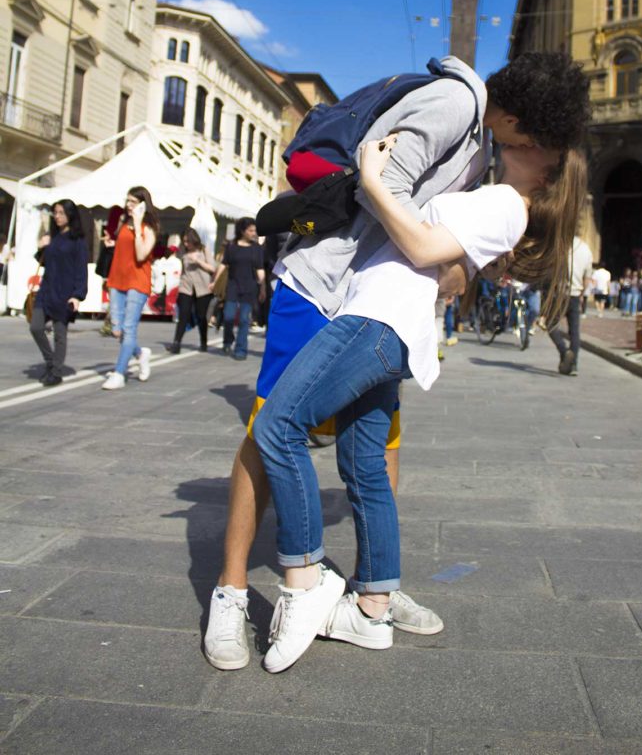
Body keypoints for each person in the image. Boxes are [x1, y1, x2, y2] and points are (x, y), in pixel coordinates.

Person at [202, 51, 592, 671]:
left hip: (375, 306)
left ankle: (372, 593)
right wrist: (443, 256)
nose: (539, 147)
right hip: (326, 282)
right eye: (539, 135)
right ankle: (234, 590)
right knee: (267, 432)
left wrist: (457, 262)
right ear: (518, 119)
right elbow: (380, 186)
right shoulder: (457, 107)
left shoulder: (488, 149)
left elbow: (436, 227)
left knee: (376, 452)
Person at [102, 187, 159, 391]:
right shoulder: (123, 223)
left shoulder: (149, 227)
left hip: (137, 282)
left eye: (133, 202)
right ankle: (140, 353)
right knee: (117, 331)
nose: (128, 206)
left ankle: (119, 373)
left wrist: (137, 223)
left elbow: (142, 254)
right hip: (117, 280)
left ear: (143, 204)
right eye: (127, 201)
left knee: (129, 328)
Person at [30, 199, 88, 386]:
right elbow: (45, 261)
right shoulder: (53, 236)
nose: (57, 216)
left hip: (64, 292)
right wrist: (41, 248)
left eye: (61, 213)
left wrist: (78, 295)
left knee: (59, 334)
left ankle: (56, 372)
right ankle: (50, 362)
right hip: (46, 290)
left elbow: (81, 269)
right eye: (55, 213)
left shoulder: (77, 240)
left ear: (70, 215)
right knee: (36, 327)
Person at [210, 218, 266, 360]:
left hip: (250, 287)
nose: (254, 233)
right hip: (233, 285)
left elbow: (260, 269)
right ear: (242, 231)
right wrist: (214, 281)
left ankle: (241, 349)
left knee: (244, 320)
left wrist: (263, 287)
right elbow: (223, 265)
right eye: (251, 230)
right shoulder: (231, 247)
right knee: (228, 317)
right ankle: (228, 341)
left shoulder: (257, 249)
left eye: (255, 230)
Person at [548, 234, 593, 376]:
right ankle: (573, 365)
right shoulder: (586, 249)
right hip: (575, 294)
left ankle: (564, 351)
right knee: (574, 331)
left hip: (560, 294)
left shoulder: (559, 245)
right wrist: (581, 294)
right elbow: (587, 277)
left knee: (550, 324)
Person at [170, 228, 216, 353]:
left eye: (188, 241)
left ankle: (203, 341)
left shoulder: (203, 250)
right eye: (184, 242)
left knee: (201, 316)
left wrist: (198, 261)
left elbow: (212, 268)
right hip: (186, 287)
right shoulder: (183, 252)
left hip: (203, 288)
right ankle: (176, 343)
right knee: (183, 315)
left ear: (193, 240)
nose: (186, 244)